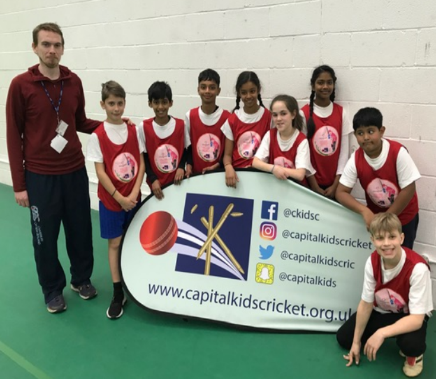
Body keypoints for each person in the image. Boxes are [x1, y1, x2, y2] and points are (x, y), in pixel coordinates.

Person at [6, 22, 99, 313]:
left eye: (57, 45)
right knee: (44, 237)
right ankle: (51, 289)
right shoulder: (21, 85)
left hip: (74, 171)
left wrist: (114, 126)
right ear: (34, 47)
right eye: (46, 44)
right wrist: (20, 185)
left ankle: (81, 279)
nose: (51, 50)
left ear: (62, 48)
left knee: (81, 230)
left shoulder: (74, 82)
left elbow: (80, 122)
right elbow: (13, 135)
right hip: (39, 177)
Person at [336, 213, 432, 378]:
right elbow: (366, 304)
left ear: (401, 238)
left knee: (411, 344)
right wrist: (356, 342)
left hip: (409, 315)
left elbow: (416, 319)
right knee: (345, 338)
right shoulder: (372, 262)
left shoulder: (418, 268)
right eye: (380, 238)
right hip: (384, 311)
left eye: (392, 237)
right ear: (373, 240)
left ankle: (414, 357)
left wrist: (382, 333)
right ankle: (382, 334)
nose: (386, 243)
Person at [86, 81, 145, 319]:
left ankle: (135, 283)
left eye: (120, 103)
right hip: (112, 201)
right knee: (115, 243)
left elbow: (141, 164)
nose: (116, 108)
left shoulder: (134, 130)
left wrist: (133, 194)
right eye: (111, 103)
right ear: (103, 104)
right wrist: (119, 197)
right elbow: (100, 172)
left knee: (134, 240)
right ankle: (117, 291)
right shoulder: (97, 136)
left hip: (133, 198)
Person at [336, 107, 420, 249]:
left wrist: (387, 218)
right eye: (360, 133)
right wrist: (365, 211)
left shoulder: (397, 152)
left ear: (381, 131)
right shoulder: (356, 159)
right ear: (355, 135)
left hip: (404, 218)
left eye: (370, 131)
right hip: (378, 220)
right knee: (382, 260)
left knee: (402, 259)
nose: (366, 137)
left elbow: (409, 189)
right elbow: (341, 192)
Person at [301, 65, 351, 199]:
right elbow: (302, 154)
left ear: (334, 85)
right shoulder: (303, 114)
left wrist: (336, 185)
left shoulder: (342, 113)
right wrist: (314, 186)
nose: (325, 86)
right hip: (310, 184)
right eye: (320, 82)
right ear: (313, 86)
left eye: (329, 82)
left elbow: (344, 153)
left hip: (335, 185)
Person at [139, 81, 189, 199]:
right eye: (156, 102)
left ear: (171, 103)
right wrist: (153, 179)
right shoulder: (143, 127)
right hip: (157, 187)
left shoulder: (181, 125)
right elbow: (144, 157)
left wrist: (181, 167)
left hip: (178, 183)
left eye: (164, 102)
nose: (160, 107)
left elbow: (187, 149)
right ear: (150, 104)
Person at [221, 71, 271, 188]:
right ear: (239, 93)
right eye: (244, 92)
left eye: (252, 91)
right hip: (238, 178)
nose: (248, 96)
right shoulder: (232, 120)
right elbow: (227, 155)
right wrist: (228, 167)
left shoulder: (269, 117)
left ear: (258, 90)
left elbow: (272, 151)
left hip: (262, 176)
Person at [252, 94, 314, 186]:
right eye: (275, 115)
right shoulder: (270, 135)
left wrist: (277, 170)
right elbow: (255, 162)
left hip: (296, 191)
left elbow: (300, 174)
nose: (279, 119)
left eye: (283, 114)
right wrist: (274, 169)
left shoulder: (301, 140)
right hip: (276, 189)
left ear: (293, 114)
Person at [185, 69, 230, 176]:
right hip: (196, 176)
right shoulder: (190, 116)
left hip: (219, 175)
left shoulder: (228, 117)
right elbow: (188, 147)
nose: (207, 91)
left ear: (218, 90)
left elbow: (228, 151)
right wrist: (189, 166)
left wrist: (218, 165)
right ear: (198, 90)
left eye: (212, 87)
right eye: (203, 87)